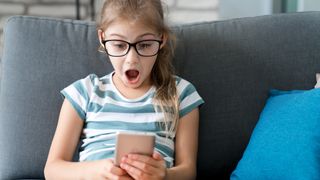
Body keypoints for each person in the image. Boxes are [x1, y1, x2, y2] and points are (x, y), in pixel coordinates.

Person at [44, 0, 204, 179]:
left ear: (161, 40)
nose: (131, 59)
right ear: (102, 39)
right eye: (119, 45)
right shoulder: (85, 92)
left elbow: (188, 171)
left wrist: (164, 175)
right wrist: (96, 171)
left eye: (144, 45)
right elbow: (52, 170)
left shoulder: (182, 93)